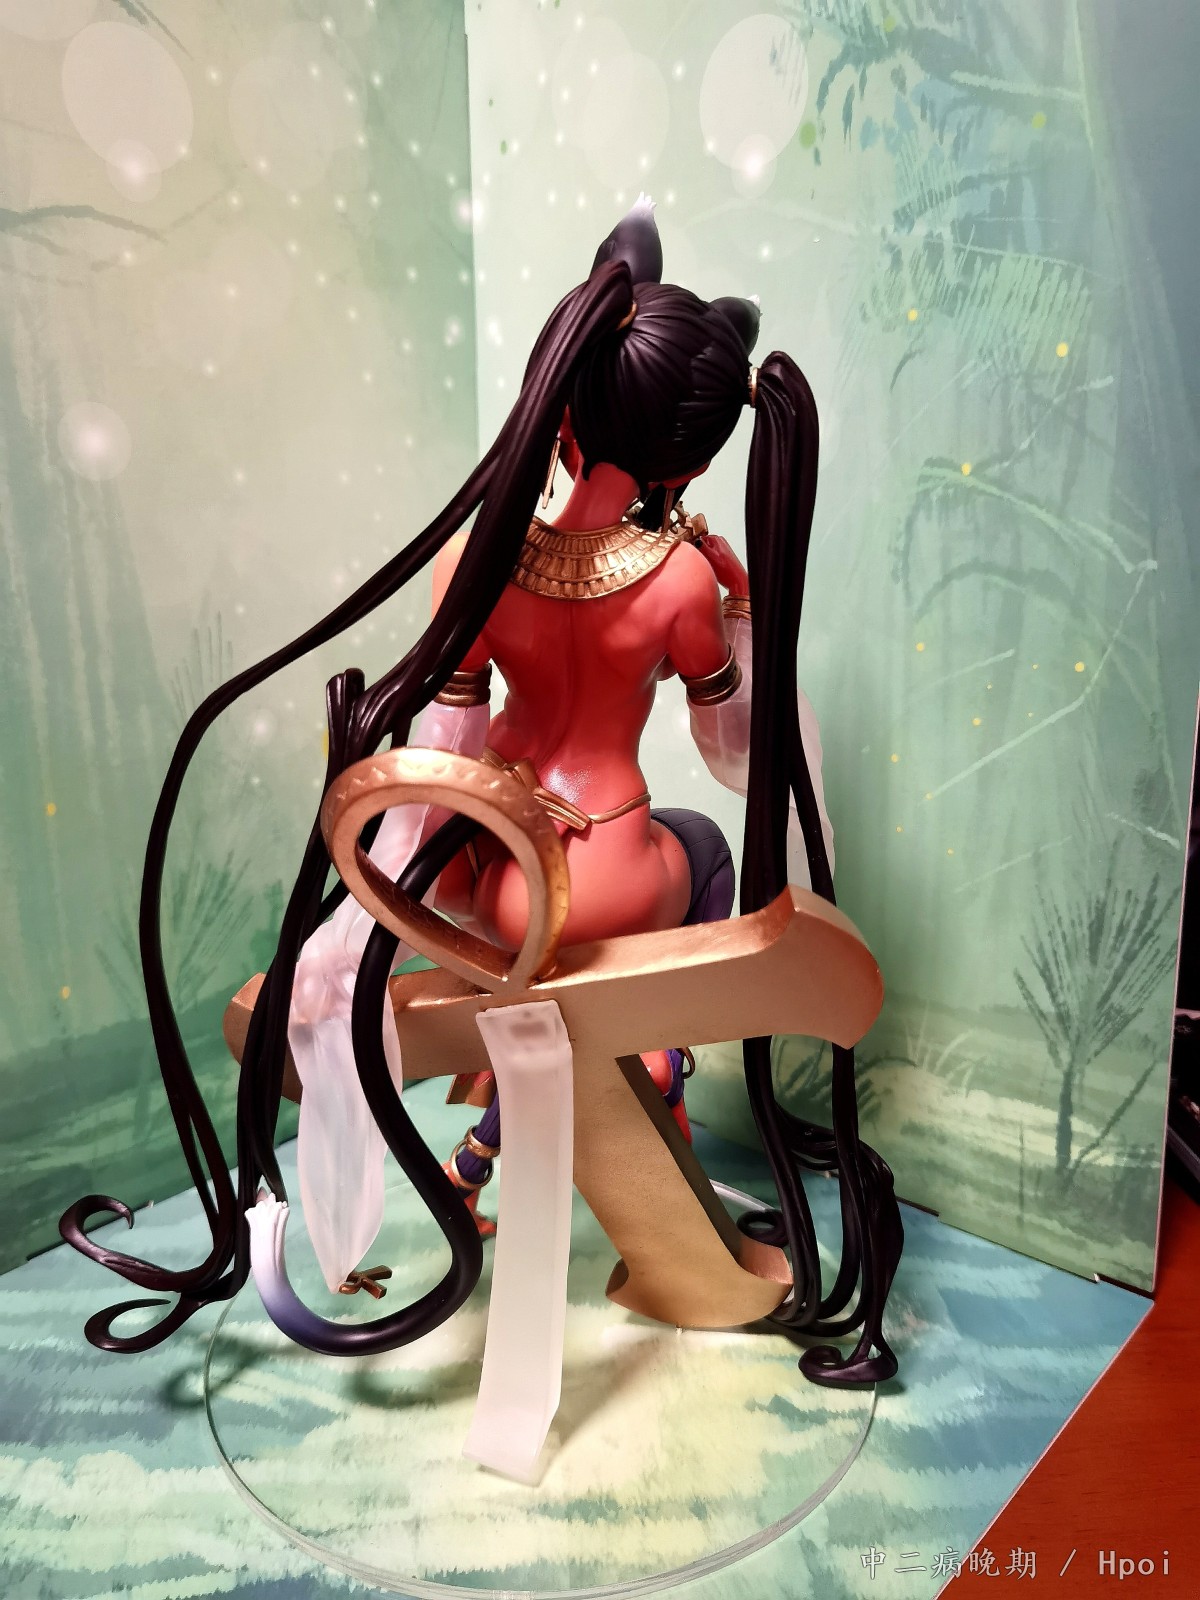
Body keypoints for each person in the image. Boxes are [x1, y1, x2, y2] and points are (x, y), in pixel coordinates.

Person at [61, 201, 902, 1384]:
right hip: (606, 870)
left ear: (565, 411)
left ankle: (550, 1121)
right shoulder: (677, 583)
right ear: (694, 463)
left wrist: (416, 869)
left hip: (488, 875)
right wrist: (742, 603)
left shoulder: (478, 558)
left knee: (568, 945)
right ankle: (666, 1058)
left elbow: (446, 740)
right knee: (707, 850)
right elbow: (733, 749)